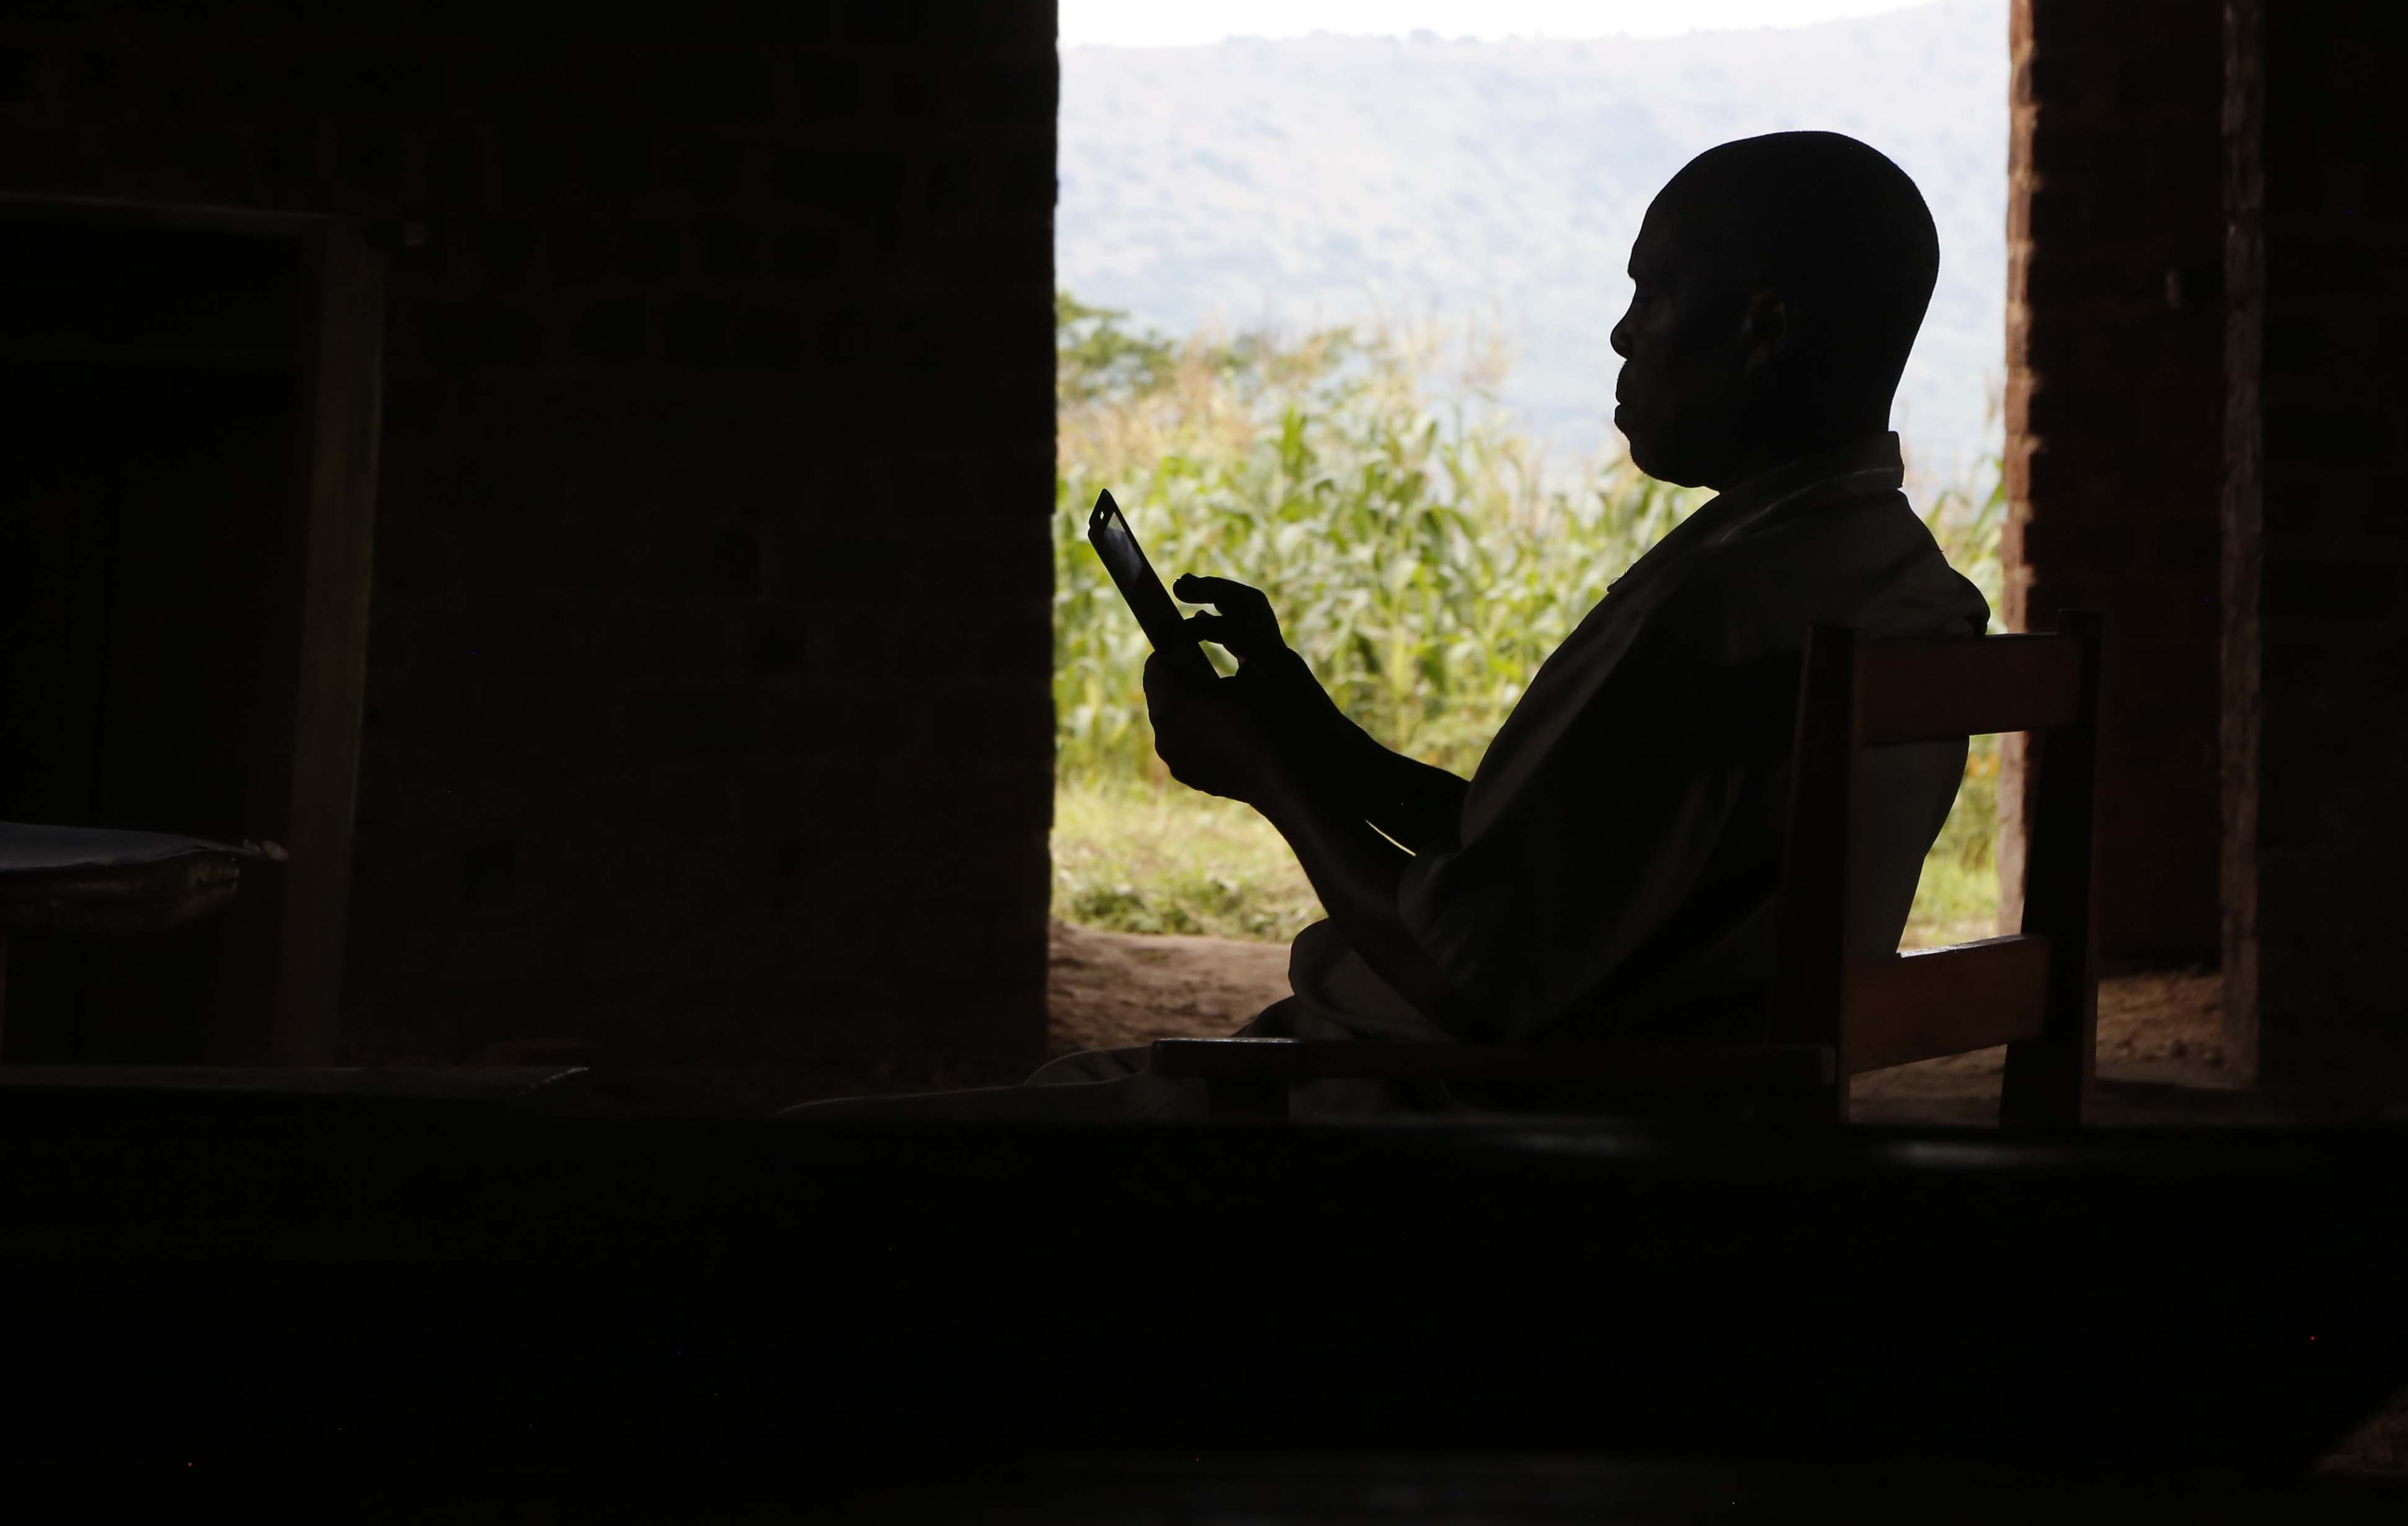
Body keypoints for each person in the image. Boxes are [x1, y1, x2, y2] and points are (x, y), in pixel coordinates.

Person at [788, 131, 1985, 1120]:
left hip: (1441, 1112)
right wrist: (1312, 730)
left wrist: (1268, 778)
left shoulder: (1722, 611)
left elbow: (1468, 978)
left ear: (1762, 329)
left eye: (1654, 294)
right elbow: (1566, 851)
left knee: (834, 1147)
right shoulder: (1884, 574)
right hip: (1626, 1088)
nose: (1625, 334)